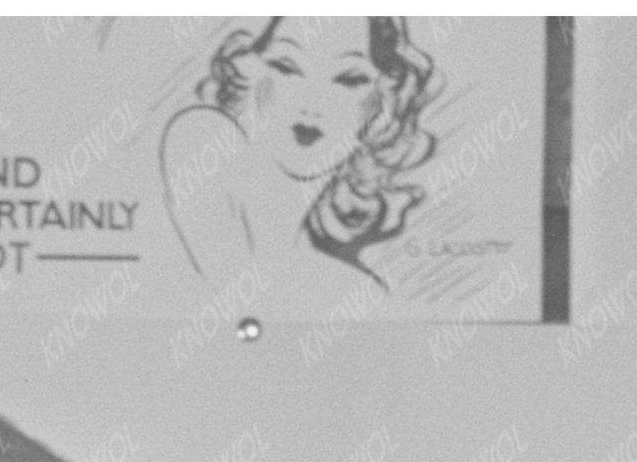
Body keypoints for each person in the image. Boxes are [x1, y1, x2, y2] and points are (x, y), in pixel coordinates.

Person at [158, 16, 449, 289]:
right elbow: (229, 293)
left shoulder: (348, 289)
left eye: (349, 79)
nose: (312, 102)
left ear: (382, 106)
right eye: (287, 67)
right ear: (249, 75)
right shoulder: (199, 137)